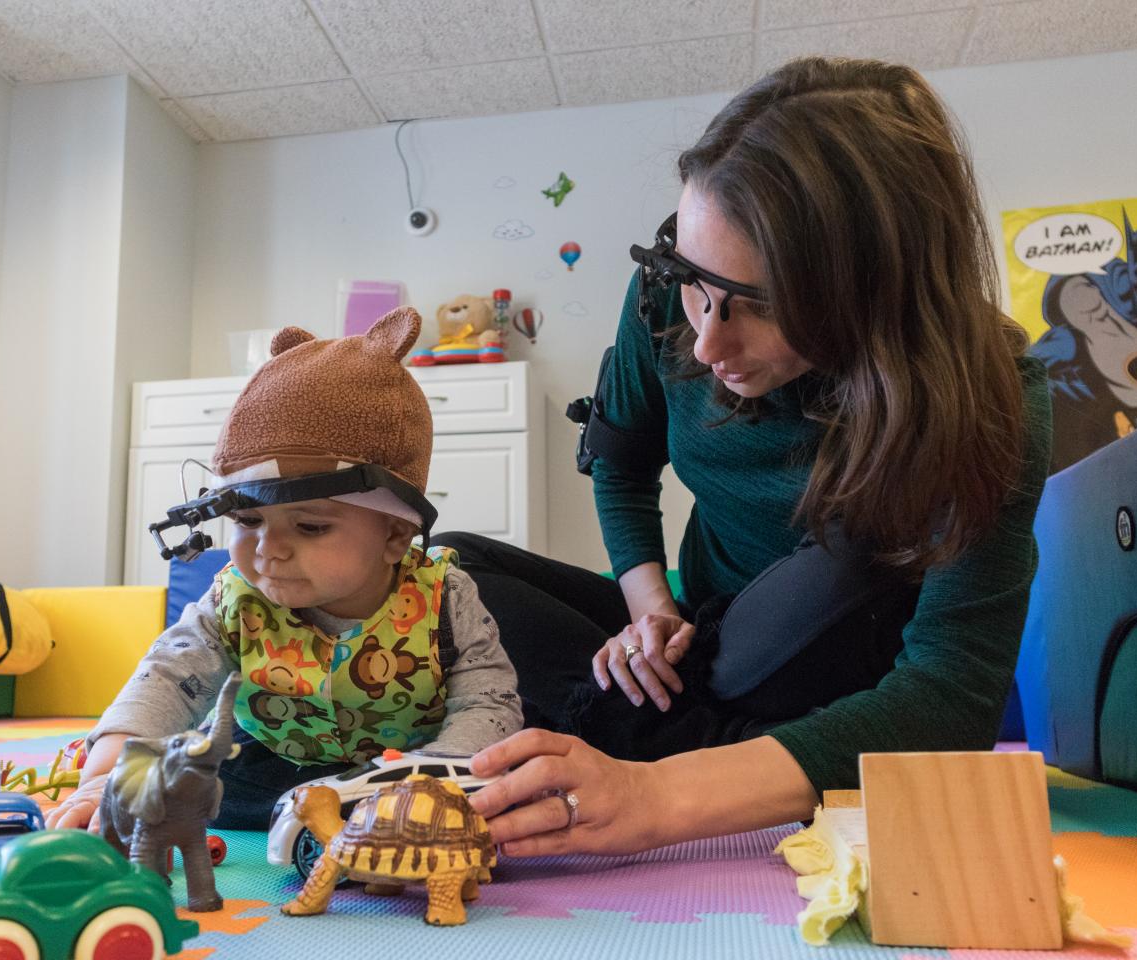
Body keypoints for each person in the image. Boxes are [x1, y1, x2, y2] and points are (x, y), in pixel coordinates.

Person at [440, 56, 1053, 857]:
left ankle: (681, 750)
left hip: (826, 666)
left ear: (874, 295)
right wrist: (649, 611)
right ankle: (684, 733)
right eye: (696, 283)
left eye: (760, 306)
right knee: (447, 572)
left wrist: (656, 799)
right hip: (703, 642)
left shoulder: (992, 390)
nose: (706, 339)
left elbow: (950, 696)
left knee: (855, 545)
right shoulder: (667, 293)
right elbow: (622, 460)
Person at [47, 308, 522, 832]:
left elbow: (487, 702)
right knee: (195, 784)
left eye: (310, 527)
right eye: (248, 520)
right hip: (272, 763)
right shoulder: (231, 602)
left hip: (401, 768)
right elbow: (165, 678)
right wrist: (108, 777)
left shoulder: (445, 599)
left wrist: (440, 778)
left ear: (394, 534)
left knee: (502, 773)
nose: (268, 550)